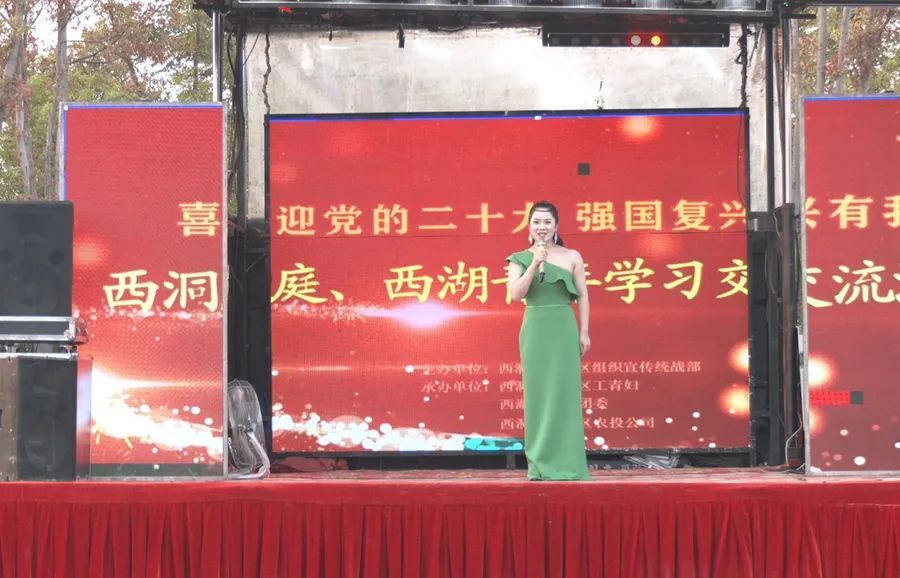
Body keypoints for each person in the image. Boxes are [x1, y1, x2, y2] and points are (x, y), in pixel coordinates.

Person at [506, 201, 591, 481]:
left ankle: (569, 464)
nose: (541, 227)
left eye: (547, 222)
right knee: (538, 396)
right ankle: (540, 464)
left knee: (565, 394)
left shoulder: (572, 256)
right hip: (535, 329)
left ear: (556, 226)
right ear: (529, 226)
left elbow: (583, 295)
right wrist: (535, 263)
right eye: (536, 222)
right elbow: (516, 294)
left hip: (563, 327)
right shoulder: (518, 259)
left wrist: (584, 331)